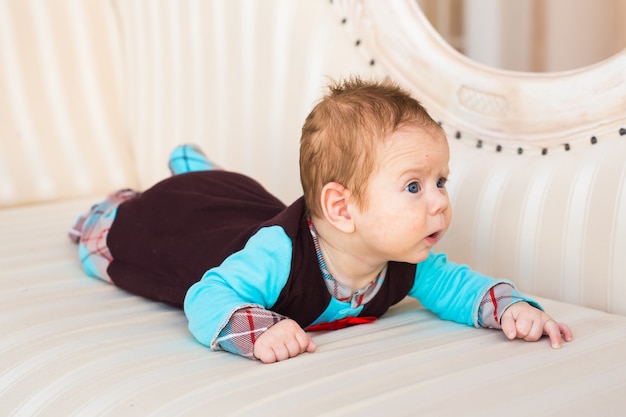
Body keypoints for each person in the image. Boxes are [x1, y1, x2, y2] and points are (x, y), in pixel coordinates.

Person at [69, 77, 573, 363]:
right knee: (141, 222)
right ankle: (163, 184)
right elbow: (206, 297)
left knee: (239, 195)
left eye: (441, 181)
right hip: (188, 225)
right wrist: (258, 329)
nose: (439, 202)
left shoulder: (404, 258)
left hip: (250, 209)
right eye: (414, 187)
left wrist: (511, 309)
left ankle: (200, 167)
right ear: (341, 208)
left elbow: (464, 289)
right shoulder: (278, 255)